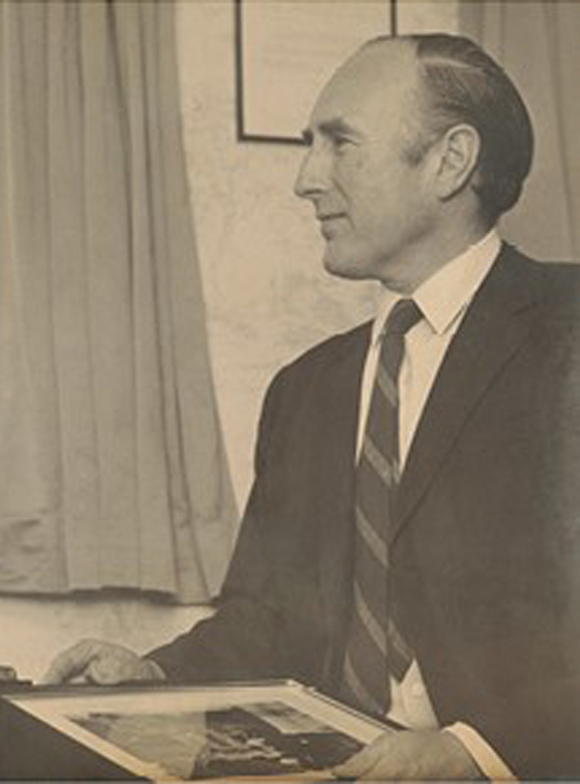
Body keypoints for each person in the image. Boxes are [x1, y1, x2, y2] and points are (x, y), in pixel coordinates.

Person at [45, 34, 580, 779]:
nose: (305, 178)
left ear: (450, 163)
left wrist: (477, 754)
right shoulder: (305, 389)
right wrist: (155, 678)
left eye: (339, 143)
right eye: (308, 145)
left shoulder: (568, 336)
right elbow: (264, 620)